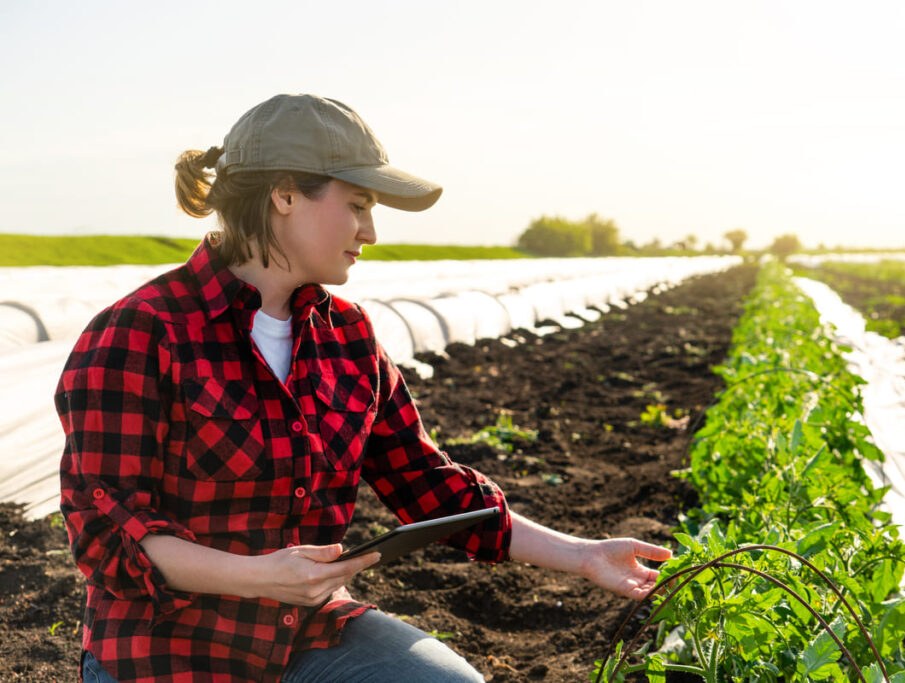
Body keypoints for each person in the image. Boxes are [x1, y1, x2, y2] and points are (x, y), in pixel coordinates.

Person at [56, 93, 672, 683]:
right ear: (285, 195)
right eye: (356, 204)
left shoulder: (346, 336)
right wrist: (258, 576)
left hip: (307, 634)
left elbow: (427, 484)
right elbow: (107, 531)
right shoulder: (141, 333)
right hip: (168, 651)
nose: (370, 230)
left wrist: (584, 554)